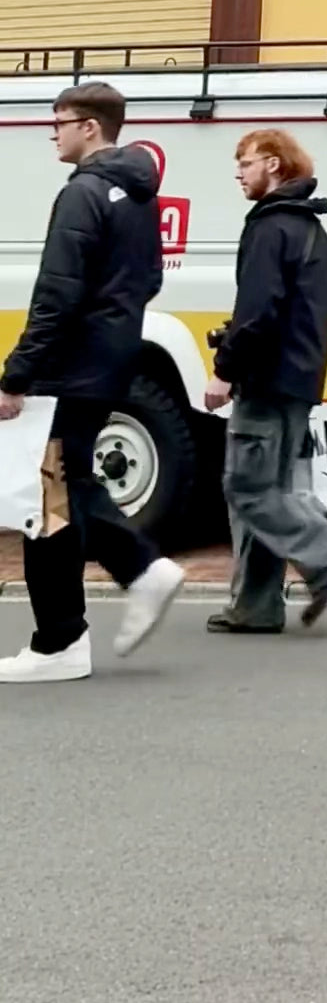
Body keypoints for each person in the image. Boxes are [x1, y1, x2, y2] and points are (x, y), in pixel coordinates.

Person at [0, 81, 185, 682]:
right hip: (111, 361)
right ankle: (131, 579)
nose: (52, 133)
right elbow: (148, 277)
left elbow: (56, 292)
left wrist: (16, 373)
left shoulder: (82, 194)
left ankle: (61, 640)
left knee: (46, 497)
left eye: (59, 122)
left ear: (90, 127)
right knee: (70, 481)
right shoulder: (137, 196)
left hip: (68, 370)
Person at [204, 128, 327, 635]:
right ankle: (255, 606)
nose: (238, 174)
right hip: (299, 379)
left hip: (267, 378)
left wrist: (225, 370)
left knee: (247, 488)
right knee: (267, 490)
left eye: (245, 163)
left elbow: (259, 312)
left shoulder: (271, 228)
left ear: (274, 165)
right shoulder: (311, 228)